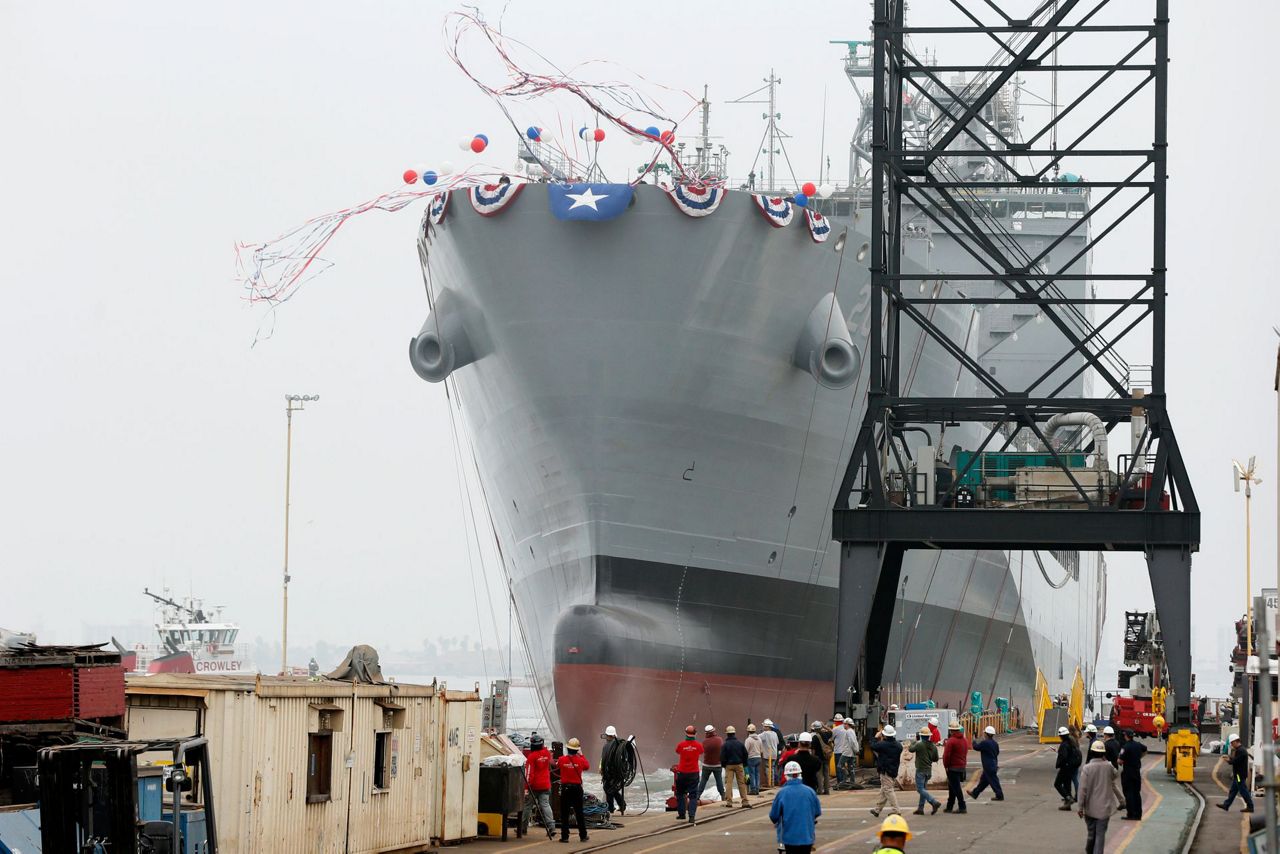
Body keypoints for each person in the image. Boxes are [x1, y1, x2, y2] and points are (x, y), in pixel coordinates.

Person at [770, 761, 822, 854]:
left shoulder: (782, 793)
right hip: (807, 837)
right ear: (800, 774)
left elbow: (773, 816)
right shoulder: (810, 791)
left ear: (786, 776)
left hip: (789, 838)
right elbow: (817, 811)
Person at [1078, 739, 1118, 853]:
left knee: (1092, 833)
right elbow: (1115, 775)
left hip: (1090, 808)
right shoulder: (1108, 766)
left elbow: (1082, 790)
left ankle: (1089, 849)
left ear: (1091, 752)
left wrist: (1080, 808)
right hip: (1104, 809)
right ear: (1103, 754)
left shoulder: (1087, 768)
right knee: (1100, 835)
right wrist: (1107, 762)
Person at [556, 737, 591, 843]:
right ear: (577, 750)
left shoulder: (562, 760)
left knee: (564, 814)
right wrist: (582, 754)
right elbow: (587, 766)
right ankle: (583, 835)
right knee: (579, 813)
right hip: (577, 789)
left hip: (566, 789)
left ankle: (565, 837)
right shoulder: (580, 761)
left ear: (567, 748)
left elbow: (556, 765)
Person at [525, 732, 556, 839]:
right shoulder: (547, 753)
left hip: (534, 786)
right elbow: (552, 763)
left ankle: (523, 828)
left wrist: (526, 787)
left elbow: (529, 774)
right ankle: (551, 826)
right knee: (546, 805)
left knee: (527, 806)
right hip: (546, 784)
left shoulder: (531, 757)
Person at [869, 724, 903, 818]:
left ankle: (896, 810)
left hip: (885, 771)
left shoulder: (883, 745)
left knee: (888, 790)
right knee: (884, 790)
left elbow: (873, 746)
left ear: (884, 735)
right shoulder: (898, 745)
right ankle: (877, 810)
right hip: (893, 770)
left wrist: (876, 737)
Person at [907, 726, 941, 815]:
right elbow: (935, 758)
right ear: (929, 736)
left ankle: (933, 802)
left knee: (920, 789)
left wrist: (914, 740)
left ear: (921, 736)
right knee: (923, 789)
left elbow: (911, 749)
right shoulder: (933, 746)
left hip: (920, 770)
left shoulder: (919, 744)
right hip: (928, 770)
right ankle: (920, 808)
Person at [674, 725, 704, 824]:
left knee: (680, 794)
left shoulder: (681, 745)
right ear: (695, 734)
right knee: (693, 796)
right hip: (693, 773)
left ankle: (682, 814)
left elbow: (677, 751)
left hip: (682, 773)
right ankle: (692, 816)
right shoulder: (699, 745)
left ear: (685, 733)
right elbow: (701, 751)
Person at [1219, 733, 1256, 812]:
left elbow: (1235, 761)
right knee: (1233, 791)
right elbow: (1236, 760)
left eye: (1232, 743)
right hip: (1238, 775)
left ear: (1236, 741)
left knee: (1243, 790)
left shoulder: (1241, 751)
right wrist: (1230, 758)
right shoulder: (1240, 750)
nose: (1232, 745)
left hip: (1239, 775)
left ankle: (1250, 806)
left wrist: (1228, 760)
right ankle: (1226, 805)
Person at [968, 725, 1004, 801]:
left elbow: (976, 747)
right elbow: (997, 752)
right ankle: (975, 793)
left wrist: (974, 740)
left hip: (988, 766)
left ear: (986, 734)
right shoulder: (995, 743)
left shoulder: (985, 743)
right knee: (983, 781)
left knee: (994, 781)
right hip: (993, 764)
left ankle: (999, 795)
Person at [720, 725, 752, 808]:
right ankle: (745, 801)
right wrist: (744, 764)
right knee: (741, 783)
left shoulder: (725, 745)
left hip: (729, 765)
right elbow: (745, 755)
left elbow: (722, 757)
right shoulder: (740, 744)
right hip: (739, 765)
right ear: (734, 733)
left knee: (728, 783)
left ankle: (729, 802)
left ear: (727, 734)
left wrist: (724, 765)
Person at [1119, 730, 1147, 820]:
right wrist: (1139, 757)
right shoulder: (1138, 745)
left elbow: (1120, 761)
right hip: (1136, 772)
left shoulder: (1125, 747)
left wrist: (1120, 761)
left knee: (1129, 793)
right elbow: (1145, 749)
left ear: (1126, 736)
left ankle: (1131, 814)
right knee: (1136, 793)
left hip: (1128, 772)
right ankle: (1138, 814)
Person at [600, 725, 628, 816]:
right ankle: (620, 805)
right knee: (612, 789)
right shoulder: (611, 746)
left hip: (612, 771)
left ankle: (611, 808)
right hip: (611, 771)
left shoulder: (615, 746)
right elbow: (603, 759)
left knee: (609, 789)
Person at [942, 721, 968, 814]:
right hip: (961, 766)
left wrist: (946, 765)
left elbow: (946, 755)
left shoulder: (951, 741)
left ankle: (962, 806)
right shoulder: (964, 740)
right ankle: (949, 806)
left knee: (956, 788)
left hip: (953, 767)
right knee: (952, 787)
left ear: (951, 731)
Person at [1054, 725, 1081, 810]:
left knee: (1057, 784)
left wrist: (1059, 764)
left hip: (1065, 767)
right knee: (1067, 784)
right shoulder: (1071, 741)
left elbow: (1064, 757)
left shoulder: (1064, 744)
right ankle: (1067, 805)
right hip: (1071, 767)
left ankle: (1068, 798)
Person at [697, 724, 725, 801]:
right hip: (717, 765)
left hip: (707, 765)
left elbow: (701, 751)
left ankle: (697, 795)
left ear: (706, 733)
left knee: (703, 781)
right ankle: (723, 795)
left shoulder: (704, 742)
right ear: (713, 731)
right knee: (719, 781)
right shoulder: (719, 740)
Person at [1102, 725, 1124, 811]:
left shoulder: (1106, 745)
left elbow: (1103, 757)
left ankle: (1108, 804)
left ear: (1106, 735)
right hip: (1115, 767)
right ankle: (1122, 802)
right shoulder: (1116, 743)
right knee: (1112, 785)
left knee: (1105, 786)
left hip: (1109, 768)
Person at [810, 721, 832, 795]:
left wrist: (812, 758)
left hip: (818, 758)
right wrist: (824, 726)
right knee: (826, 774)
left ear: (814, 729)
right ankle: (827, 790)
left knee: (819, 774)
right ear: (821, 727)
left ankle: (820, 790)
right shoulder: (826, 734)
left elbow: (813, 750)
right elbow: (831, 731)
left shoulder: (815, 737)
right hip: (826, 757)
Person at [838, 718, 859, 786]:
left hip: (847, 752)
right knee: (851, 766)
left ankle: (845, 779)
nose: (843, 725)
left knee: (840, 765)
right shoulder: (852, 731)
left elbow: (852, 742)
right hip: (851, 752)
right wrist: (855, 750)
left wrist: (855, 749)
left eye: (844, 724)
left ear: (847, 724)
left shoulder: (848, 731)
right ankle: (852, 781)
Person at [759, 719, 780, 788]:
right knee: (772, 768)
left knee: (768, 768)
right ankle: (772, 783)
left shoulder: (765, 734)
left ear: (768, 727)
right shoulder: (775, 733)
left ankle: (769, 784)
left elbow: (757, 738)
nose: (763, 727)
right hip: (774, 753)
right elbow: (777, 742)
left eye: (764, 726)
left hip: (768, 754)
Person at [746, 723, 764, 795]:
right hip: (758, 758)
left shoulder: (748, 740)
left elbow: (746, 751)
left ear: (748, 731)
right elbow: (762, 750)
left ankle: (753, 789)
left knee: (752, 774)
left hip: (751, 758)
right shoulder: (759, 739)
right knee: (757, 774)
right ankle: (757, 788)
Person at [832, 715, 850, 784]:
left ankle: (840, 783)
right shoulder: (846, 728)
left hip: (838, 751)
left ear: (836, 722)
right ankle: (845, 781)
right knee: (844, 766)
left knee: (838, 767)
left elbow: (831, 738)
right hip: (846, 751)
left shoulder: (835, 729)